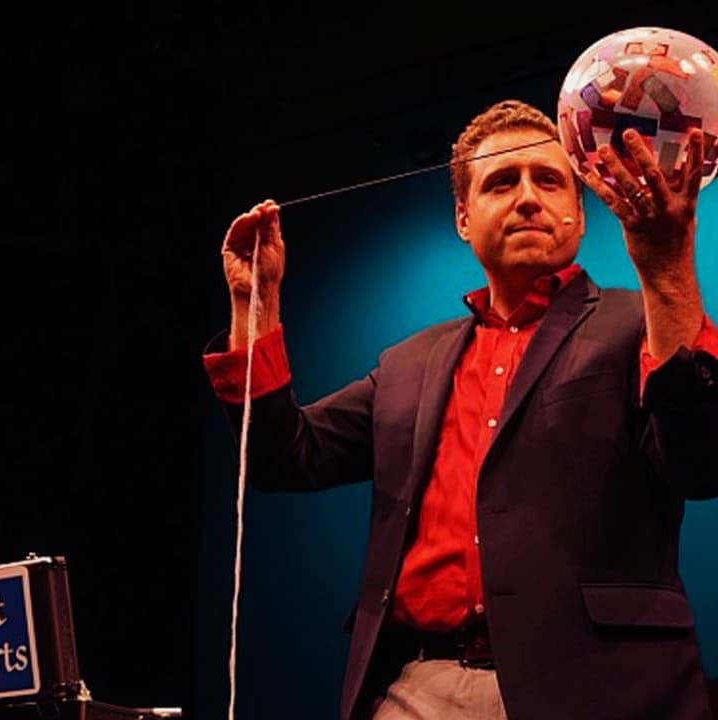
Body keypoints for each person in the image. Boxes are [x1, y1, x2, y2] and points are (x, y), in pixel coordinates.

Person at [203, 99, 718, 719]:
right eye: (501, 182)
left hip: (601, 686)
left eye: (548, 179)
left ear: (580, 216)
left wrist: (667, 271)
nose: (527, 198)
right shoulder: (408, 364)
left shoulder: (644, 323)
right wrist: (254, 303)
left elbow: (701, 462)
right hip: (420, 689)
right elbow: (283, 457)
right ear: (463, 218)